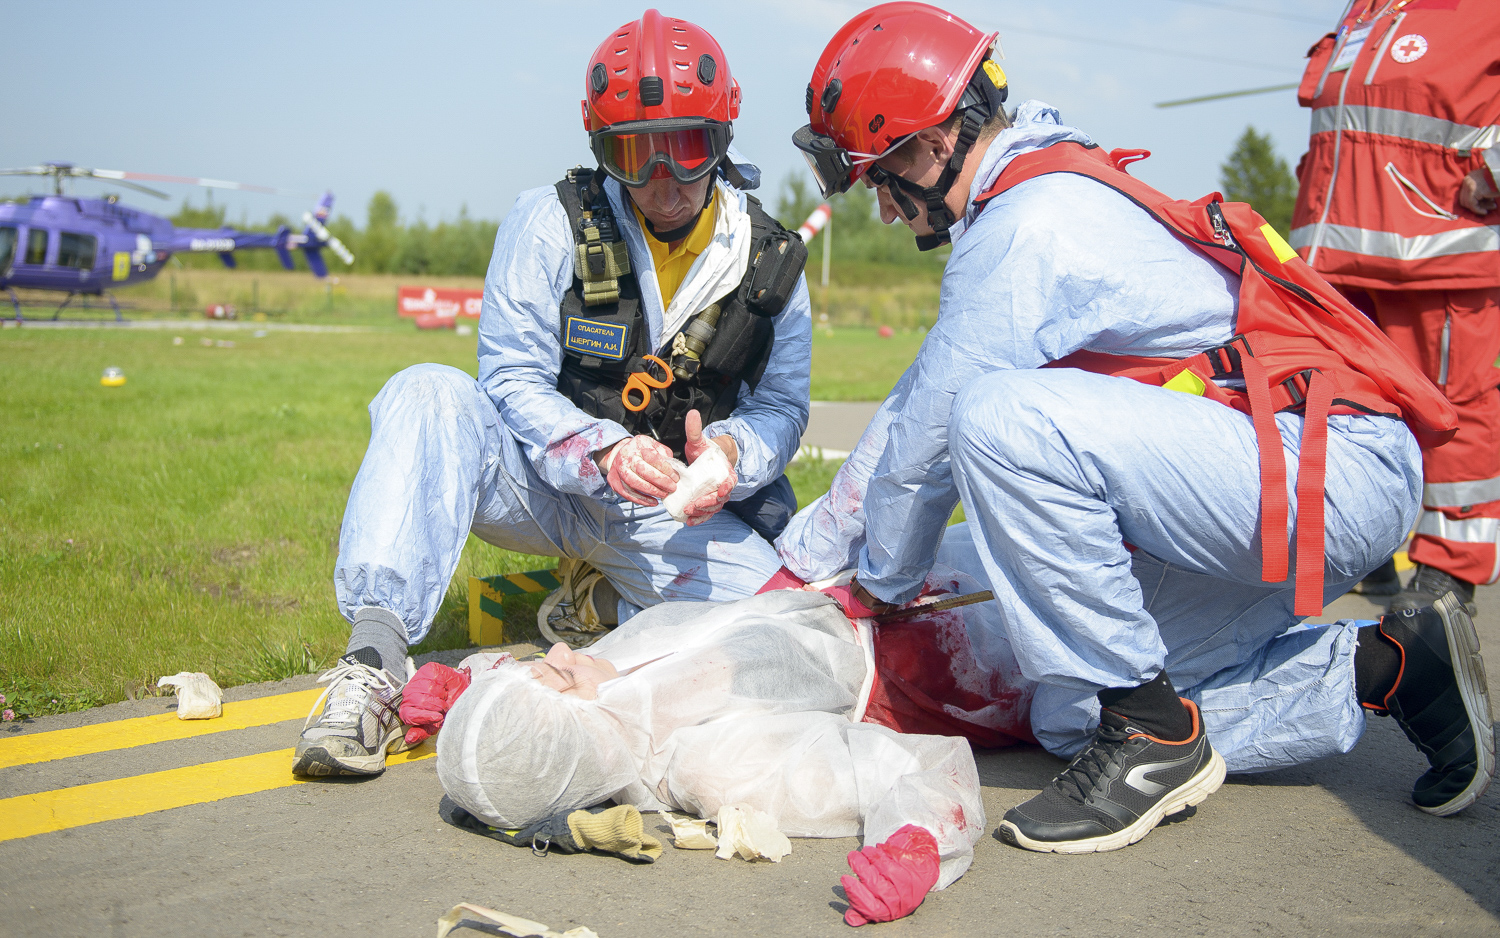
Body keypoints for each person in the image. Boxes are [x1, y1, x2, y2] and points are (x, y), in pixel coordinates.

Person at [781, 1, 1493, 854]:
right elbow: (914, 403)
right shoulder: (1035, 190)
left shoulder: (1029, 223)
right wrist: (808, 562)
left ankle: (1150, 734)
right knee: (1071, 709)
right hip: (1278, 474)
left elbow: (928, 438)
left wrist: (877, 589)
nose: (888, 212)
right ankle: (1389, 667)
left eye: (882, 178)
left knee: (998, 420)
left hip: (1329, 470)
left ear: (933, 144)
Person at [292, 9, 813, 779]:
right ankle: (372, 661)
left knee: (788, 642)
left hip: (668, 511)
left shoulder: (770, 261)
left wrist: (733, 455)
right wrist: (602, 453)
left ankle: (599, 606)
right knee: (427, 391)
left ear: (723, 135)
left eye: (686, 149)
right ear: (601, 146)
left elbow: (782, 408)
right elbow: (508, 376)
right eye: (634, 153)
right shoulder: (546, 223)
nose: (662, 181)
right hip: (539, 483)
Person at [402, 543, 1034, 928]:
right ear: (580, 736)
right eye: (555, 674)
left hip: (879, 585)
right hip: (958, 654)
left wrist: (469, 691)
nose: (563, 650)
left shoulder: (612, 693)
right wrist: (917, 842)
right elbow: (908, 767)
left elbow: (525, 730)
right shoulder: (716, 762)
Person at [1290, 1, 1500, 613]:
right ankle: (1366, 548)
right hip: (1333, 255)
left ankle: (1449, 571)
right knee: (1343, 407)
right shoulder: (1368, 9)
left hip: (1438, 248)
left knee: (1454, 412)